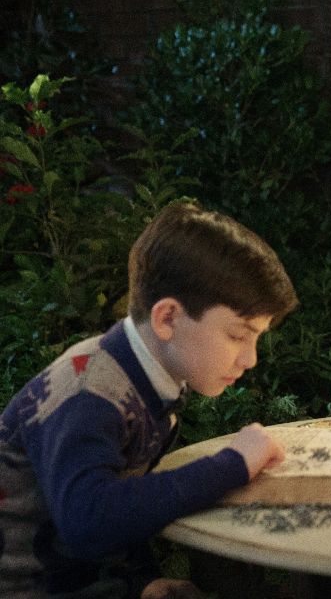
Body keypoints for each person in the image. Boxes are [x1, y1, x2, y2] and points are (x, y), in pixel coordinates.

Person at [0, 202, 296, 599]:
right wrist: (232, 465)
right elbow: (90, 521)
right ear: (168, 318)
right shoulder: (89, 393)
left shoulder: (151, 382)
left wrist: (143, 581)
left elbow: (123, 495)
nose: (250, 359)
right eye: (237, 335)